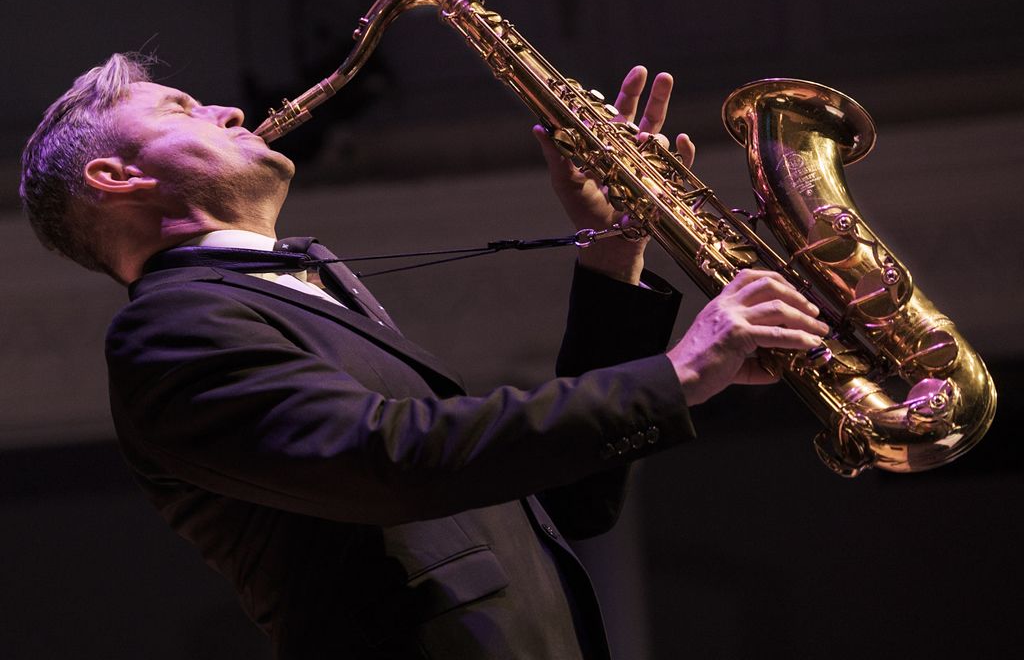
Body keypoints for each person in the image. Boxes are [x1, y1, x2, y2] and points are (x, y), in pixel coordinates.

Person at [20, 53, 828, 659]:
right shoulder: (170, 328)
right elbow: (390, 462)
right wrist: (681, 372)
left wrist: (617, 247)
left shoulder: (293, 290)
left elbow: (569, 503)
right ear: (112, 176)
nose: (230, 110)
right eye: (184, 108)